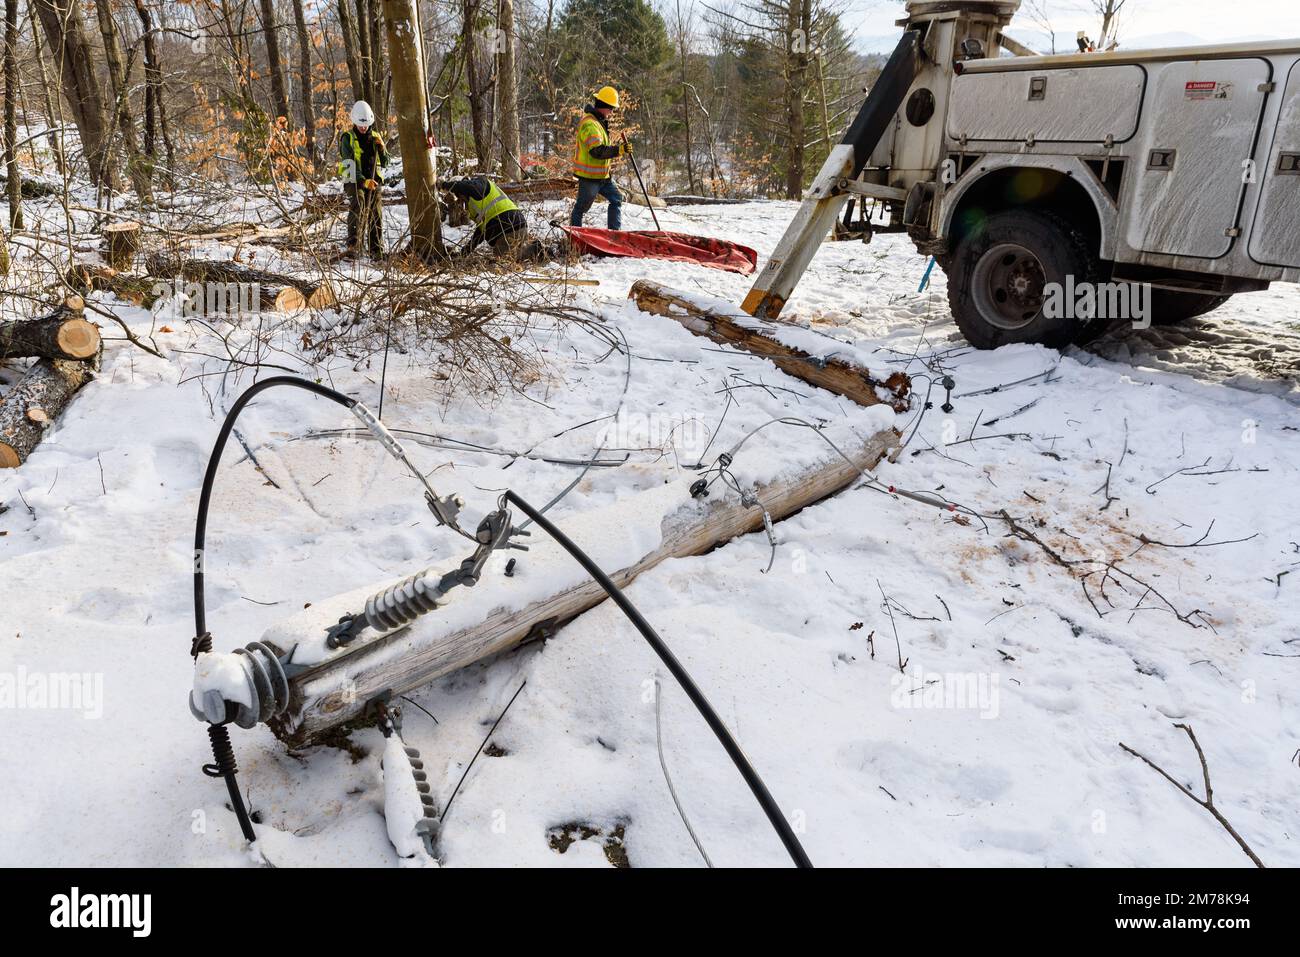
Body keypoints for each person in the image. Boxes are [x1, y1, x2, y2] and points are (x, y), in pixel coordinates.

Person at [570, 86, 631, 231]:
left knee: (617, 199)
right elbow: (597, 151)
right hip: (589, 177)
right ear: (603, 106)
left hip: (603, 177)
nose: (612, 112)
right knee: (581, 208)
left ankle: (614, 234)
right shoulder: (590, 124)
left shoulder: (599, 122)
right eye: (611, 108)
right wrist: (619, 150)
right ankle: (575, 237)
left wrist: (619, 149)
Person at [338, 100, 388, 259]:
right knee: (358, 204)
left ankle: (376, 250)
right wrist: (363, 182)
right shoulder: (348, 138)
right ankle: (353, 245)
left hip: (373, 180)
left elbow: (386, 162)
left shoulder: (375, 137)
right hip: (353, 180)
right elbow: (349, 164)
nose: (363, 127)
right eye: (360, 125)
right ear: (354, 121)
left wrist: (381, 149)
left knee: (375, 212)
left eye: (366, 125)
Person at [440, 176, 535, 259]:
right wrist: (466, 251)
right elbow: (481, 232)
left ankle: (538, 251)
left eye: (458, 195)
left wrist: (444, 185)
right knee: (518, 254)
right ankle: (537, 250)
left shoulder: (480, 184)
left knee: (503, 261)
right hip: (516, 227)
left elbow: (467, 186)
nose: (460, 200)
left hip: (507, 228)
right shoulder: (476, 202)